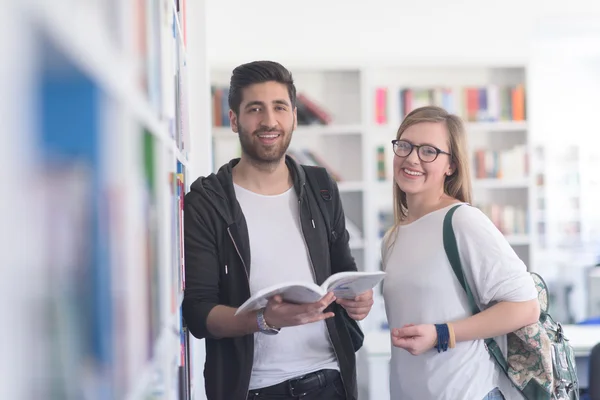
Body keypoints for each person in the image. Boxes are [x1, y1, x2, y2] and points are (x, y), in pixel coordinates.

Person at [182, 60, 373, 400]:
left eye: (279, 108)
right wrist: (263, 320)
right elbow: (199, 313)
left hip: (331, 381)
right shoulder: (207, 200)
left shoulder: (321, 186)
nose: (269, 121)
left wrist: (359, 298)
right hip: (252, 389)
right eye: (255, 109)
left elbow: (345, 270)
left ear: (294, 117)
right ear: (234, 119)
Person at [381, 106, 540, 400]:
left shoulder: (462, 221)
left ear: (450, 166)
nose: (412, 158)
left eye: (429, 151)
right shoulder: (393, 237)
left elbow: (526, 307)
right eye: (404, 146)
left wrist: (443, 334)